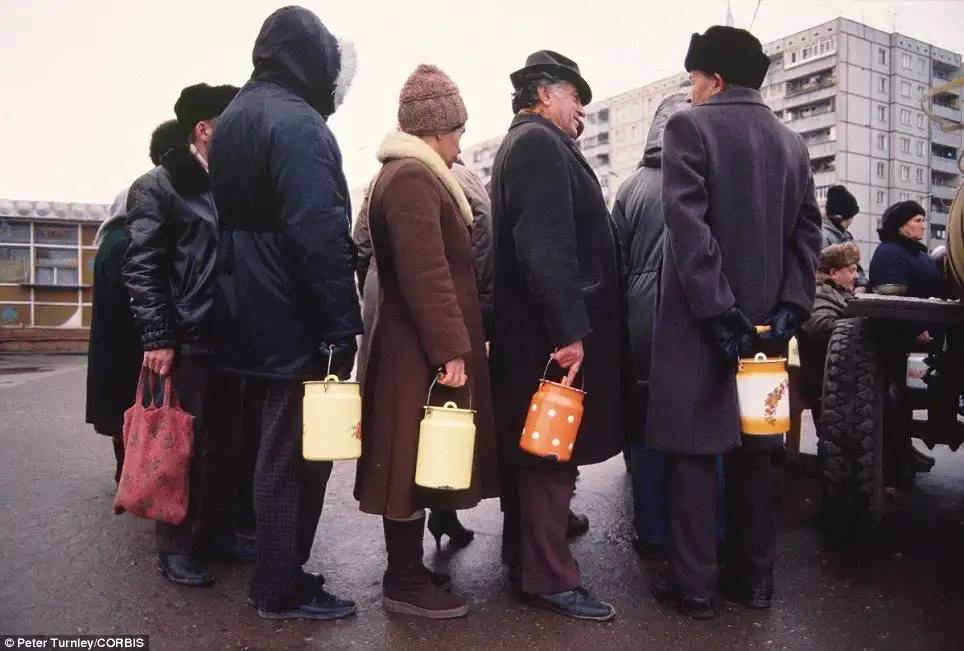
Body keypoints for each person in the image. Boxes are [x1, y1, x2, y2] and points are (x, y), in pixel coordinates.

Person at [645, 26, 822, 619]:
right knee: (757, 454)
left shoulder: (688, 128)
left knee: (694, 455)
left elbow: (688, 229)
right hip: (769, 329)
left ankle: (695, 588)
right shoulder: (793, 145)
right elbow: (808, 232)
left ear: (716, 79)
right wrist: (790, 306)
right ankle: (754, 581)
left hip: (700, 324)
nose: (689, 90)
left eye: (694, 79)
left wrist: (720, 311)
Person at [207, 6, 361, 622]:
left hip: (246, 306)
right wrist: (341, 324)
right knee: (294, 456)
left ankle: (276, 572)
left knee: (267, 448)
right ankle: (278, 586)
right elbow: (318, 233)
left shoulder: (236, 116)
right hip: (293, 312)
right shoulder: (299, 124)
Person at [353, 64, 500, 619]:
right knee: (408, 459)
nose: (461, 142)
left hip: (414, 342)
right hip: (416, 348)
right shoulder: (413, 177)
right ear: (437, 129)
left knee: (416, 456)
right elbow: (426, 273)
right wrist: (450, 349)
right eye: (458, 131)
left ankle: (410, 571)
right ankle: (404, 581)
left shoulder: (407, 173)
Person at [489, 50, 625, 621]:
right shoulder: (538, 144)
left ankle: (524, 561)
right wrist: (570, 331)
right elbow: (544, 244)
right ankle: (549, 577)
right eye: (575, 96)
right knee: (551, 451)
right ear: (544, 94)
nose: (582, 108)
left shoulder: (527, 142)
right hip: (546, 335)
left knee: (538, 449)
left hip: (531, 331)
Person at [122, 82, 240, 587]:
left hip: (231, 336)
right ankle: (176, 545)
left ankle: (213, 532)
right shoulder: (160, 186)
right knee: (180, 443)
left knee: (224, 442)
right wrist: (157, 338)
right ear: (204, 129)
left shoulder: (232, 183)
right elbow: (142, 266)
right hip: (187, 336)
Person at [353, 155, 492, 553]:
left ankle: (436, 519)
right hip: (437, 311)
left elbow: (360, 243)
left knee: (422, 426)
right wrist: (477, 307)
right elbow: (467, 245)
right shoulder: (426, 176)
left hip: (394, 300)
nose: (459, 140)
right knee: (420, 428)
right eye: (457, 130)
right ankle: (410, 562)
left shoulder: (385, 177)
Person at [610, 92, 725, 560]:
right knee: (707, 427)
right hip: (696, 317)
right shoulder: (706, 179)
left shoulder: (631, 187)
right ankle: (711, 532)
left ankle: (652, 530)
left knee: (646, 431)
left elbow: (615, 260)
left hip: (641, 323)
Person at [85, 118, 183, 484]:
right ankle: (132, 477)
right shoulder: (125, 242)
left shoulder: (113, 240)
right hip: (128, 347)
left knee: (125, 414)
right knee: (132, 412)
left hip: (118, 348)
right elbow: (132, 298)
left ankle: (129, 472)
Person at [869, 200, 945, 478]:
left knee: (905, 402)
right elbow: (890, 301)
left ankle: (903, 452)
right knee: (896, 403)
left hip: (920, 340)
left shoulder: (913, 251)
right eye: (917, 220)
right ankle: (894, 464)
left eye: (924, 219)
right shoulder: (891, 252)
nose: (923, 225)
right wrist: (914, 329)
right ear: (901, 225)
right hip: (899, 343)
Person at [798, 242, 861, 415]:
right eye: (851, 270)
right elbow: (819, 325)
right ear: (833, 273)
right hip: (829, 387)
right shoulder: (821, 293)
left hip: (835, 383)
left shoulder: (836, 292)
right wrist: (858, 326)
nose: (856, 275)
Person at [822, 185, 868, 291]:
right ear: (842, 217)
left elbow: (856, 266)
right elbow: (822, 274)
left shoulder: (846, 236)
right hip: (833, 294)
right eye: (851, 217)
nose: (851, 221)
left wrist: (861, 284)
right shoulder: (824, 237)